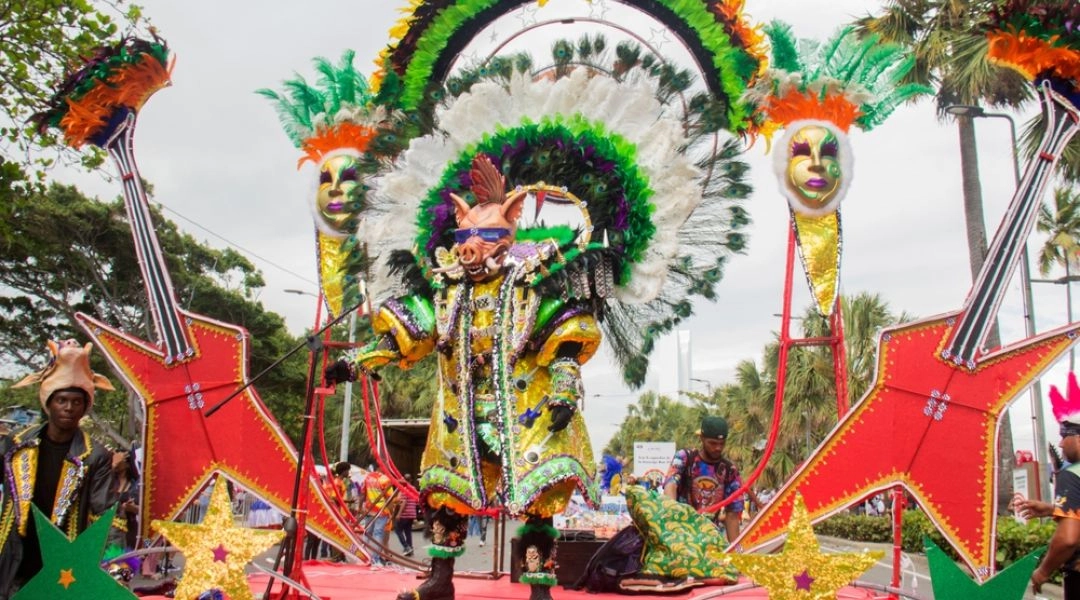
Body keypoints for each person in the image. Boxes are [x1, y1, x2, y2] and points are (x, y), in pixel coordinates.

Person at [0, 340, 117, 598]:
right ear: (49, 403)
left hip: (63, 563)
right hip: (13, 556)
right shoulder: (16, 444)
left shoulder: (95, 455)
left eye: (76, 401)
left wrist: (114, 564)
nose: (68, 407)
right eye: (62, 400)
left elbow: (106, 514)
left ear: (84, 406)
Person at [663, 415, 743, 542]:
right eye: (712, 443)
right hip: (681, 535)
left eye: (722, 444)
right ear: (701, 438)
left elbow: (732, 515)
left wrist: (739, 553)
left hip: (710, 539)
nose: (718, 448)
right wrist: (672, 517)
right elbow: (670, 485)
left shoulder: (730, 470)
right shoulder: (684, 458)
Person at [359, 468, 396, 566]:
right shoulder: (385, 479)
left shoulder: (368, 477)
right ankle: (375, 559)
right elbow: (389, 499)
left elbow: (363, 494)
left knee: (367, 533)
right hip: (381, 511)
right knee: (378, 534)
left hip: (369, 509)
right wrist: (392, 513)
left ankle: (361, 557)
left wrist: (360, 508)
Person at [394, 475, 418, 557]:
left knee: (397, 530)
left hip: (405, 514)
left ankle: (406, 547)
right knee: (408, 531)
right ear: (411, 480)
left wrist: (398, 514)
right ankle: (410, 549)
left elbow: (404, 502)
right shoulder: (413, 488)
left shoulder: (404, 488)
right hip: (411, 514)